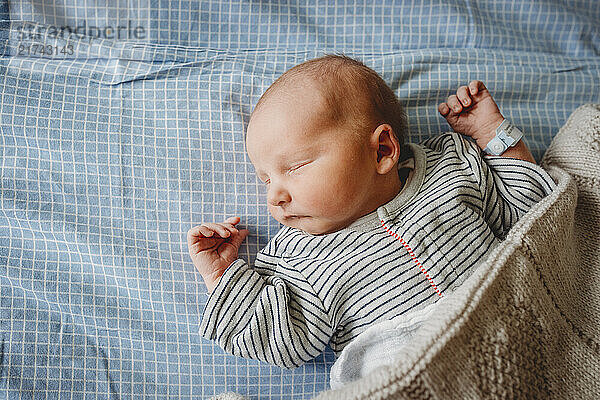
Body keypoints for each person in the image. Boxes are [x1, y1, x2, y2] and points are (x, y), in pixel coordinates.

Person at [187, 55, 556, 369]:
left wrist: (494, 134)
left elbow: (530, 215)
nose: (275, 196)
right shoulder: (301, 258)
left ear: (382, 150)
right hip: (409, 372)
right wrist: (222, 276)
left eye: (295, 166)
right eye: (265, 179)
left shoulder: (450, 169)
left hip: (520, 332)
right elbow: (278, 340)